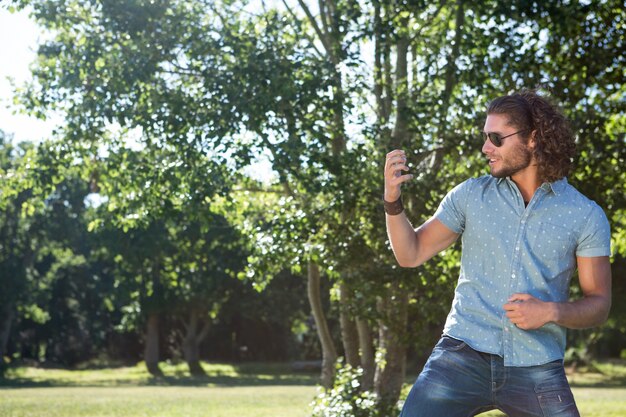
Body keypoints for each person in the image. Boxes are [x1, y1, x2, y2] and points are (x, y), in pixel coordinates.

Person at [383, 90, 612, 417]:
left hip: (537, 365)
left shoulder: (584, 215)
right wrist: (392, 200)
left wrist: (551, 312)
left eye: (495, 138)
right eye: (485, 137)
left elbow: (599, 304)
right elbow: (411, 253)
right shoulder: (470, 195)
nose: (486, 147)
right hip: (460, 356)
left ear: (532, 139)